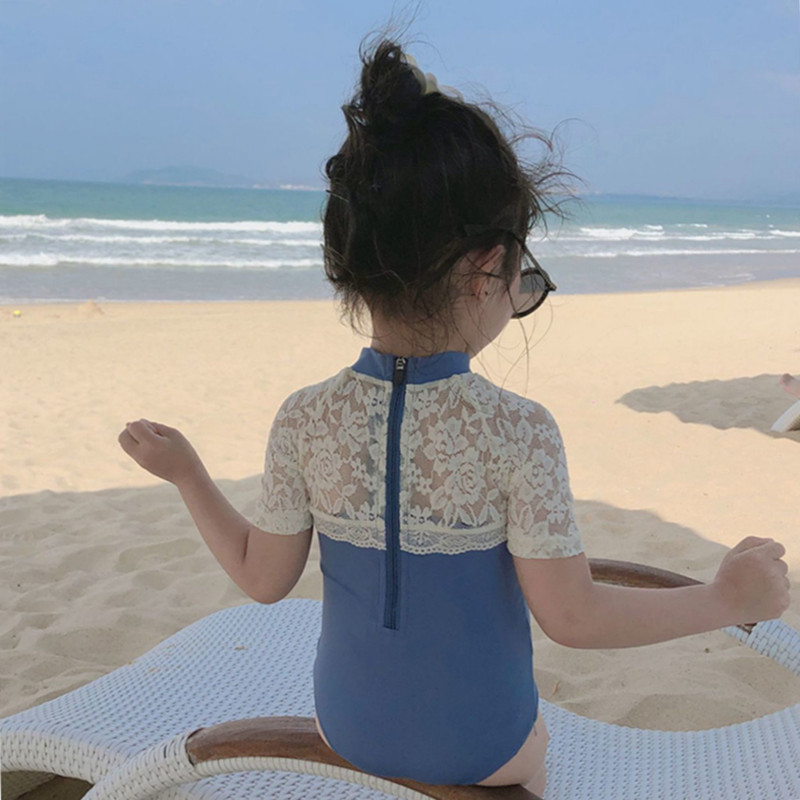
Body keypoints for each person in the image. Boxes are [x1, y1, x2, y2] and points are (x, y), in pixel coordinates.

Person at [118, 36, 791, 799]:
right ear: (486, 268)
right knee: (536, 747)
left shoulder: (303, 418)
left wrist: (187, 473)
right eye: (523, 273)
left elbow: (261, 578)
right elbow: (573, 618)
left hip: (347, 727)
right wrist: (726, 600)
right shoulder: (519, 431)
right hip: (483, 750)